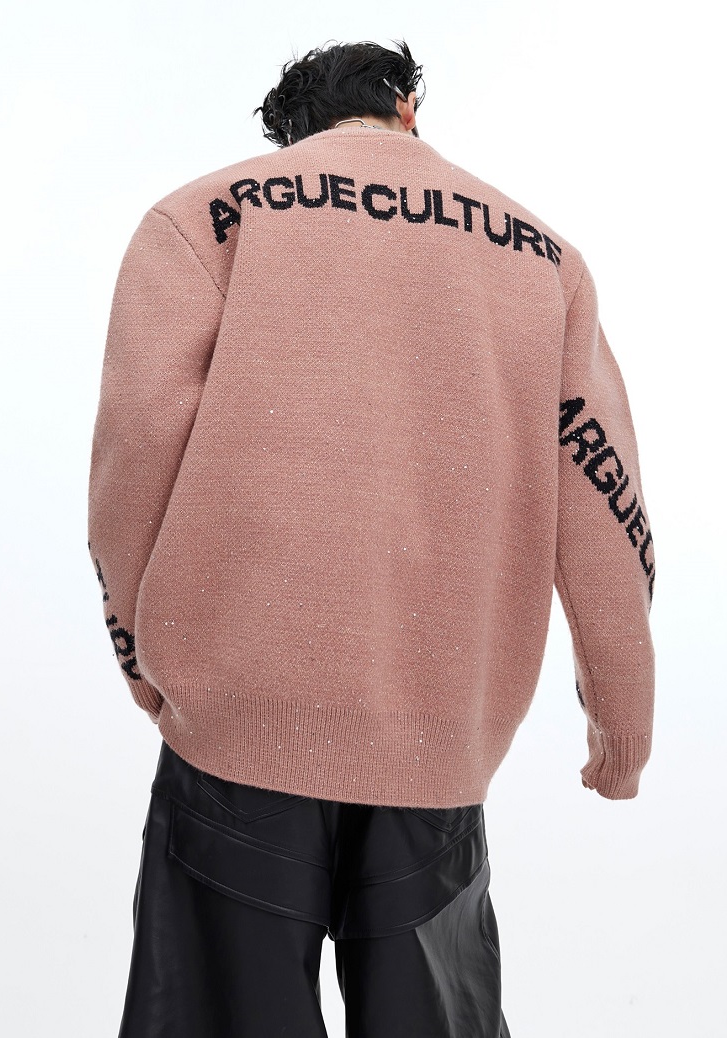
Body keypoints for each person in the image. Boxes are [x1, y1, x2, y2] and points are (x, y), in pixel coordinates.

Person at [87, 38, 656, 1038]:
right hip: (437, 736)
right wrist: (621, 728)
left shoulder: (203, 219)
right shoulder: (541, 258)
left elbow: (133, 457)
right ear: (406, 107)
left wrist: (144, 659)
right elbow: (605, 501)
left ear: (293, 133)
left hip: (234, 722)